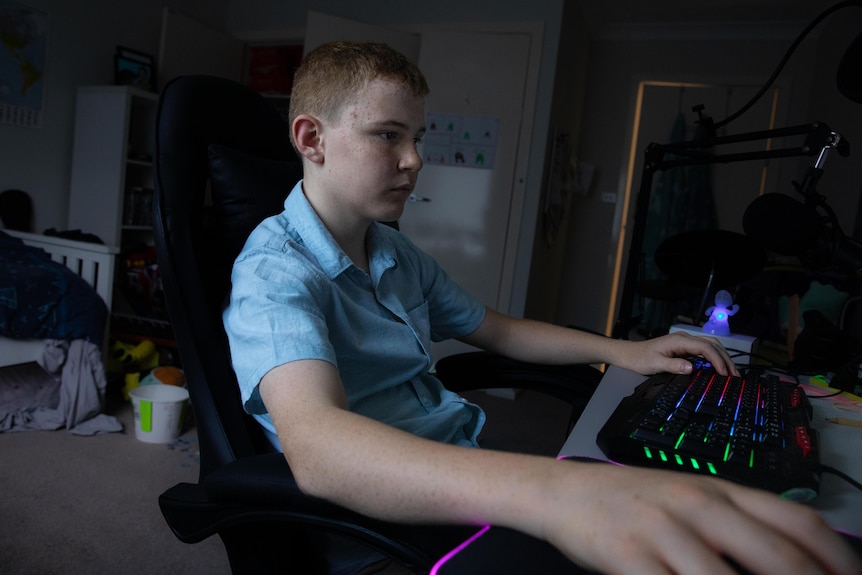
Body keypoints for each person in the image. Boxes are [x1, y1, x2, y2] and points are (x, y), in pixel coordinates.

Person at [223, 41, 860, 575]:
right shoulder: (273, 272)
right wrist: (555, 489)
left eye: (416, 137)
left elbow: (494, 329)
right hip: (380, 531)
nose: (415, 160)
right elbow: (318, 448)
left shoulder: (392, 250)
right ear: (311, 138)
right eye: (388, 135)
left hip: (460, 479)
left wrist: (624, 352)